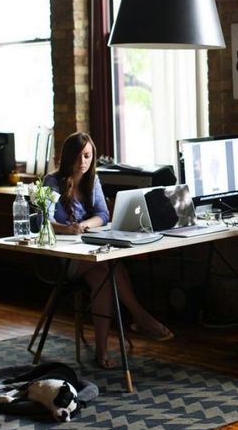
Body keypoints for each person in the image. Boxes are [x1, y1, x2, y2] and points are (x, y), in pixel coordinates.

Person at [44, 131, 173, 369]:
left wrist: (83, 225)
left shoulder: (92, 180)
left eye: (88, 156)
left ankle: (102, 351)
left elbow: (103, 215)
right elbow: (44, 221)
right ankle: (139, 315)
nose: (83, 162)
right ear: (68, 157)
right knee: (108, 264)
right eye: (79, 156)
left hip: (88, 253)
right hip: (63, 257)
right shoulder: (51, 182)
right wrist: (65, 228)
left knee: (104, 273)